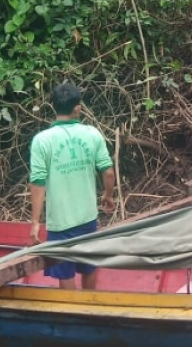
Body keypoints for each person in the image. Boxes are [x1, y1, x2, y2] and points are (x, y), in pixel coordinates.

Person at [29, 82, 116, 290]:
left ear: (54, 106)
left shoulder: (41, 141)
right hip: (88, 219)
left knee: (64, 273)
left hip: (60, 224)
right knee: (89, 268)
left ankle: (72, 312)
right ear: (78, 108)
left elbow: (38, 183)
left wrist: (35, 223)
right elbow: (108, 172)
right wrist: (108, 195)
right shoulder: (92, 134)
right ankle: (91, 310)